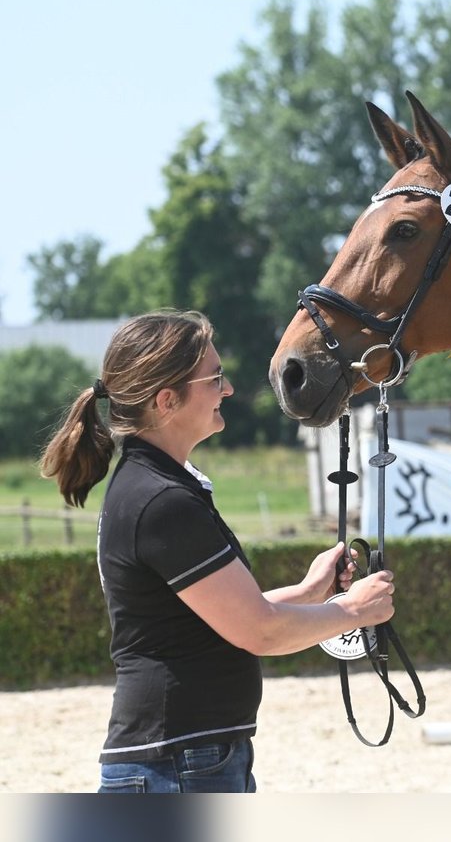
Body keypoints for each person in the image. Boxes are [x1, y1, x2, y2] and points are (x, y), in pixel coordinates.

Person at [39, 309, 394, 793]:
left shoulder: (151, 486)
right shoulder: (162, 499)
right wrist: (353, 610)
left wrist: (314, 592)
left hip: (181, 758)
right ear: (167, 400)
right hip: (179, 763)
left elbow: (229, 618)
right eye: (215, 379)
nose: (227, 390)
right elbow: (260, 631)